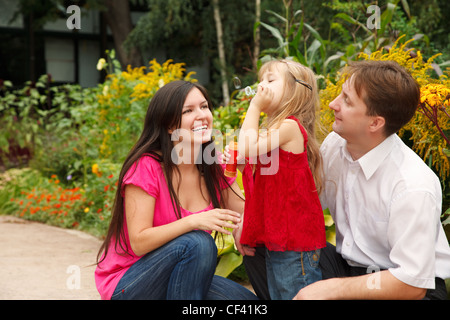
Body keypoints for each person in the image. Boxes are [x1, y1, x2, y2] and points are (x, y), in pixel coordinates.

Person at [95, 80, 257, 300]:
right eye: (188, 110)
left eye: (204, 106)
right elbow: (139, 242)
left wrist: (247, 173)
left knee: (246, 302)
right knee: (198, 243)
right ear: (170, 125)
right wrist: (194, 221)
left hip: (181, 274)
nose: (201, 115)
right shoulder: (146, 167)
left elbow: (245, 215)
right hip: (129, 282)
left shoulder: (215, 165)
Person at [234, 59, 326, 300]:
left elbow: (247, 148)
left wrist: (254, 107)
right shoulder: (277, 130)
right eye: (261, 80)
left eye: (270, 80)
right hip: (280, 239)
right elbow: (259, 170)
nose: (261, 85)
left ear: (294, 92)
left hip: (294, 242)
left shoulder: (290, 127)